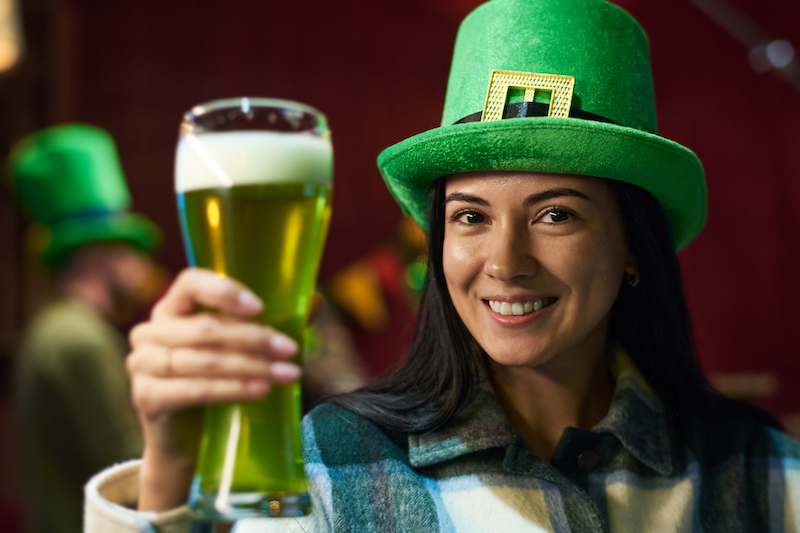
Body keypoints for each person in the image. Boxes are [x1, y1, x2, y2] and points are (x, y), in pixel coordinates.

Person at [85, 0, 800, 531]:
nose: (505, 261)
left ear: (635, 246)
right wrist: (170, 466)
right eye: (470, 216)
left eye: (556, 213)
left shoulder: (763, 473)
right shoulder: (333, 468)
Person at [8, 124, 166, 533]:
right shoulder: (80, 340)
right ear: (100, 252)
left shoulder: (52, 328)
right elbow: (130, 472)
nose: (140, 264)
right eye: (129, 246)